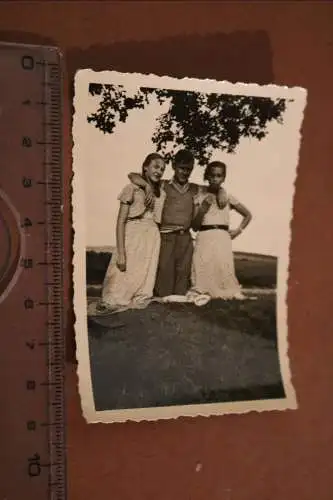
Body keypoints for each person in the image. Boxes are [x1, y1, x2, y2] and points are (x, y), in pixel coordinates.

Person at [128, 149, 228, 298]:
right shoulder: (162, 185)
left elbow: (214, 188)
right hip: (165, 237)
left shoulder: (195, 188)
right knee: (164, 290)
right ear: (174, 166)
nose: (185, 172)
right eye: (182, 168)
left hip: (185, 239)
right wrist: (147, 186)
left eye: (189, 169)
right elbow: (132, 175)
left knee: (181, 289)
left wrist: (222, 191)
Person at [97, 153, 166, 313]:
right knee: (121, 276)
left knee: (143, 278)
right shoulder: (132, 188)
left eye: (162, 169)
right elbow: (121, 221)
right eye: (156, 166)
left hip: (152, 236)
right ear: (145, 167)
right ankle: (114, 300)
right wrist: (121, 253)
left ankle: (139, 299)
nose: (159, 171)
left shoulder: (162, 192)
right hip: (132, 234)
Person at [189, 161, 252, 301]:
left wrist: (238, 230)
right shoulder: (199, 197)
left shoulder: (227, 197)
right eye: (212, 175)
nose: (215, 179)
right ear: (207, 176)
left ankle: (226, 291)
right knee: (203, 266)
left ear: (223, 178)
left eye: (219, 176)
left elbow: (248, 215)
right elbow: (194, 226)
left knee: (223, 266)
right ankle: (202, 290)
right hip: (204, 235)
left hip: (222, 237)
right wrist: (204, 207)